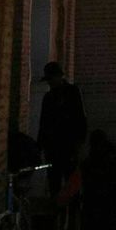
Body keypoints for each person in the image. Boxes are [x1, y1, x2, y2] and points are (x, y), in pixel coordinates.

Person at [36, 61, 87, 193]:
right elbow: (44, 123)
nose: (50, 83)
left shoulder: (72, 92)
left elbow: (80, 118)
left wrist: (79, 143)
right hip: (53, 148)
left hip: (69, 146)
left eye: (51, 79)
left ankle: (70, 210)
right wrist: (40, 147)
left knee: (71, 184)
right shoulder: (49, 97)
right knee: (55, 184)